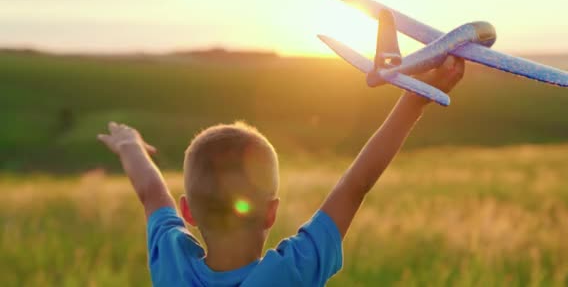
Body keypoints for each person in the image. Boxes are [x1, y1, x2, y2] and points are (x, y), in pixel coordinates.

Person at [97, 56, 464, 286]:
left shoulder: (173, 266)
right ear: (271, 213)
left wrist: (129, 144)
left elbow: (150, 192)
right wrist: (416, 97)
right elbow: (356, 184)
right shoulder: (287, 275)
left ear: (187, 211)